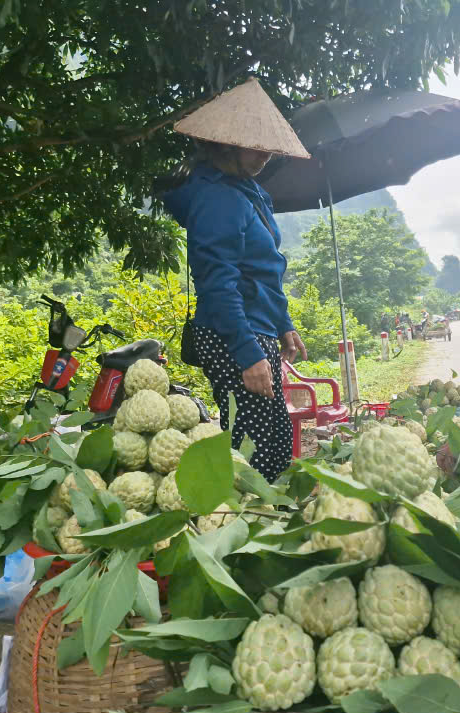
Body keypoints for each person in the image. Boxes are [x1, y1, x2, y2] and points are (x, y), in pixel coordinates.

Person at [163, 78, 309, 481]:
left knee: (276, 438)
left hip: (255, 327)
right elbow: (218, 283)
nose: (264, 155)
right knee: (256, 453)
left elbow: (263, 270)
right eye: (254, 145)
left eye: (267, 147)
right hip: (232, 335)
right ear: (226, 143)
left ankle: (259, 525)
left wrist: (283, 325)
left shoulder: (246, 190)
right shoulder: (217, 197)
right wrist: (248, 354)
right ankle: (245, 530)